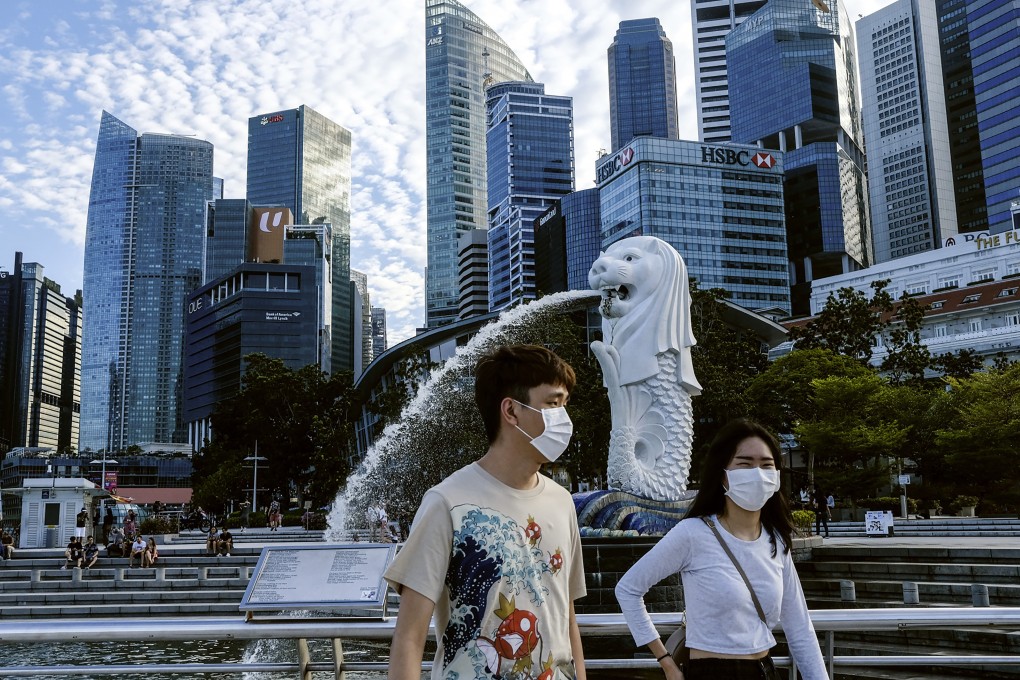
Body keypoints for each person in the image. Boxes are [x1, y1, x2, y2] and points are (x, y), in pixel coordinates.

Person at [385, 344, 587, 680]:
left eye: (565, 405)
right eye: (552, 404)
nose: (563, 418)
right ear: (511, 410)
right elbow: (408, 637)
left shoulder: (562, 501)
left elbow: (565, 616)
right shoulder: (446, 503)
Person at [615, 418, 828, 680]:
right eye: (745, 463)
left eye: (766, 464)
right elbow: (628, 589)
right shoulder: (693, 533)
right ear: (723, 475)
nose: (757, 473)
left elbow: (800, 628)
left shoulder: (776, 541)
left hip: (766, 669)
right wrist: (666, 662)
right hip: (712, 671)